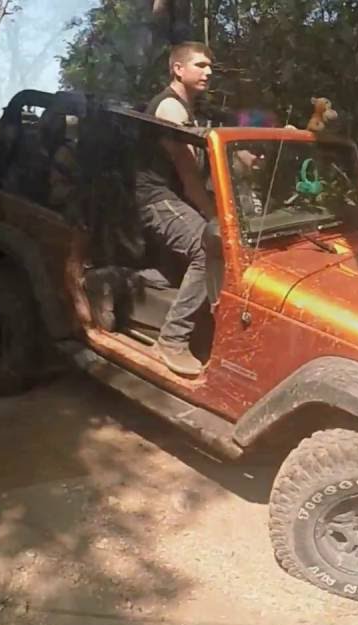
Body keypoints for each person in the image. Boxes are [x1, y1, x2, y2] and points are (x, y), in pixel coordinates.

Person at [135, 41, 218, 377]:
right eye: (200, 65)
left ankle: (122, 281)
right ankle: (172, 339)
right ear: (178, 69)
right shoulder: (171, 109)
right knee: (209, 249)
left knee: (193, 254)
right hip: (155, 197)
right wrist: (217, 217)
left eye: (210, 67)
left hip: (172, 196)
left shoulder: (188, 109)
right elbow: (188, 175)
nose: (209, 72)